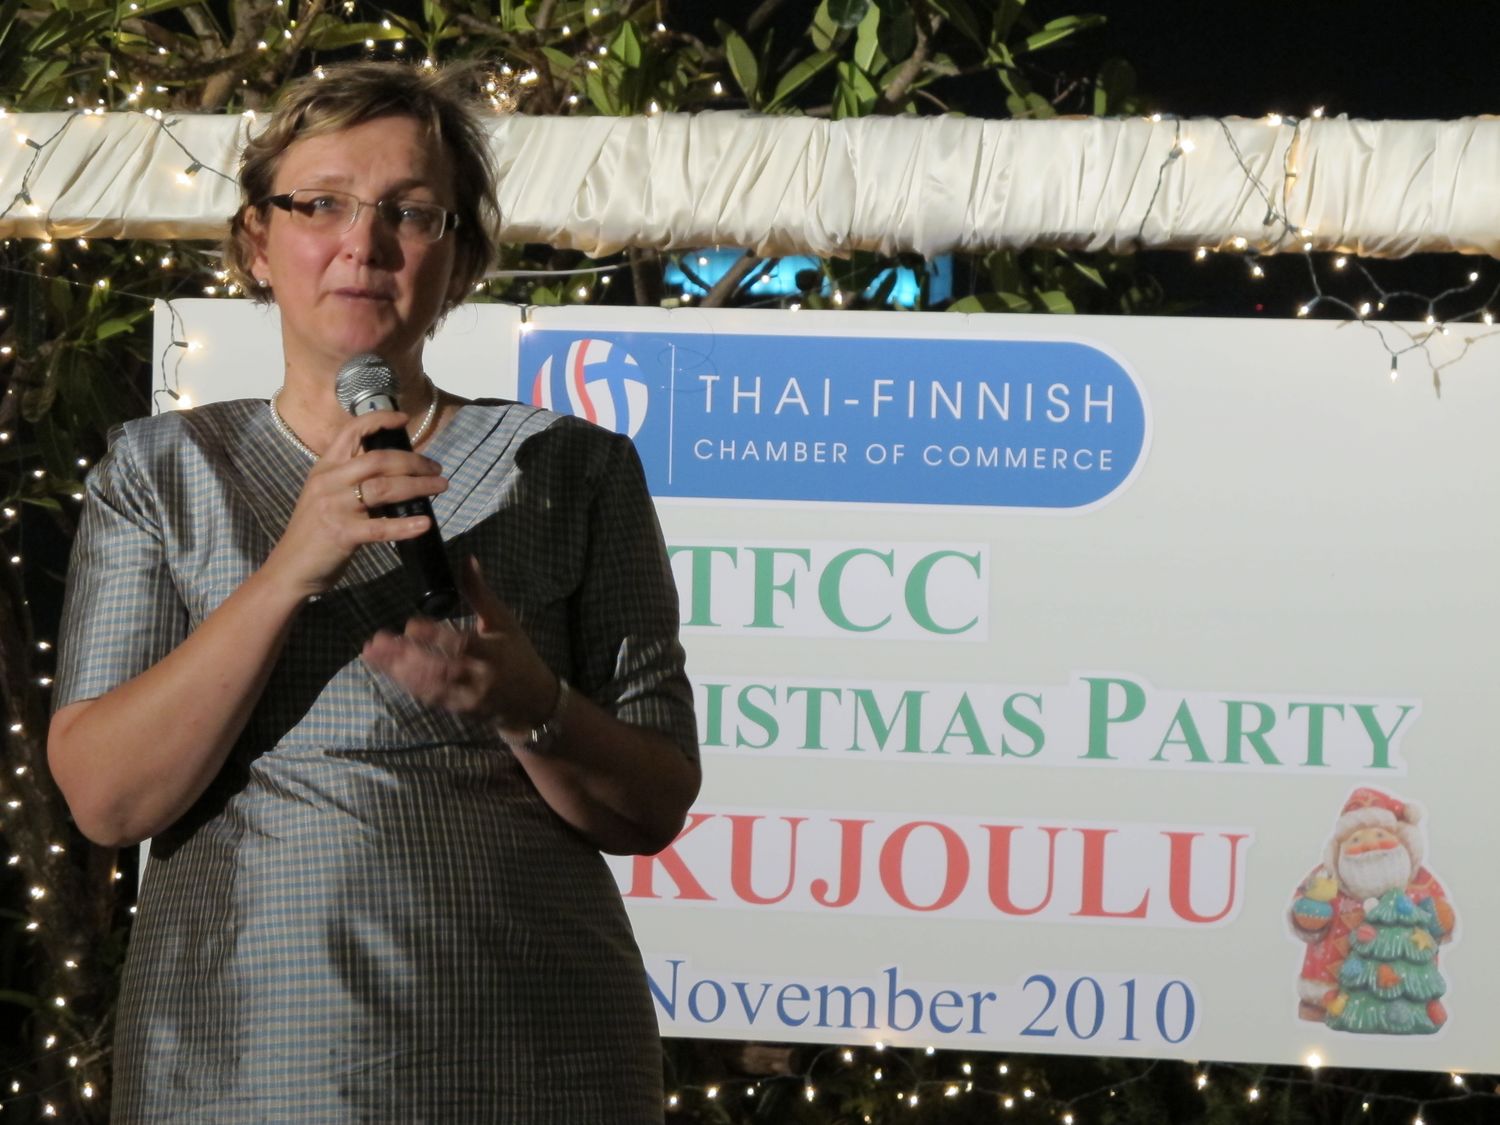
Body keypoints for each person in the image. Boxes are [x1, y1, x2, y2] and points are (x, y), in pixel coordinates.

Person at [47, 60, 700, 1122]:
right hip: (241, 1056)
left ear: (461, 258)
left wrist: (530, 702)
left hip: (532, 1054)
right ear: (256, 243)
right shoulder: (159, 472)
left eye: (410, 212)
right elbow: (107, 799)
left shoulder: (573, 469)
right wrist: (288, 568)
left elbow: (655, 800)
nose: (364, 243)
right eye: (322, 204)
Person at [1288, 787, 1454, 1030]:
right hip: (1330, 986)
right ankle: (1321, 1005)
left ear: (1404, 842)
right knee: (1325, 1004)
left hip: (1407, 990)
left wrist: (1439, 918)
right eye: (1355, 840)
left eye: (1379, 835)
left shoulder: (1421, 882)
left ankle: (1423, 1008)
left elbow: (1439, 916)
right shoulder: (1327, 879)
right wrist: (1310, 914)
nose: (1369, 846)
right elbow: (1303, 910)